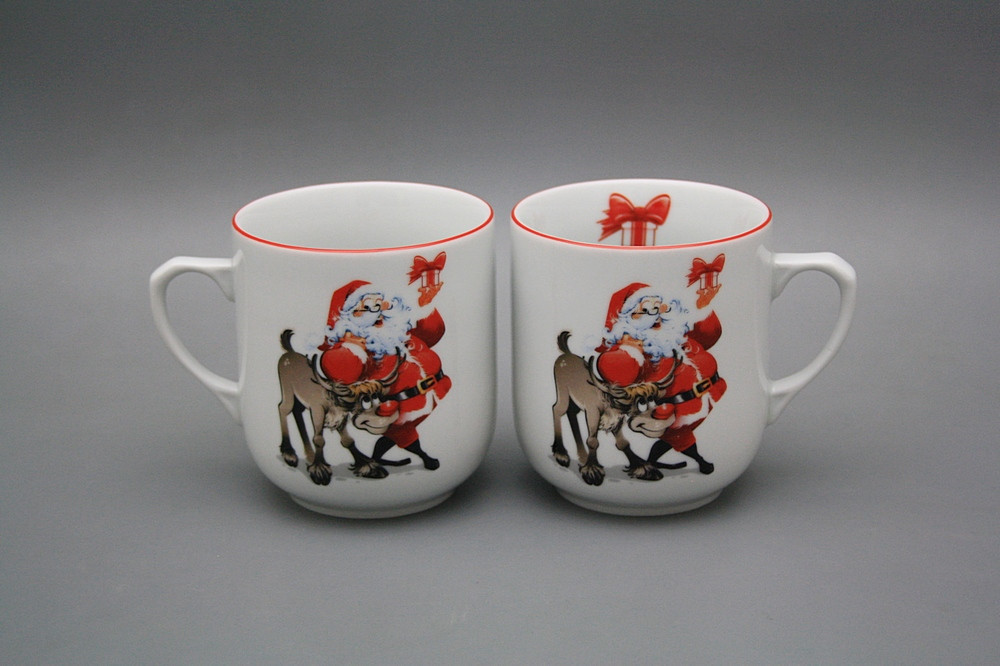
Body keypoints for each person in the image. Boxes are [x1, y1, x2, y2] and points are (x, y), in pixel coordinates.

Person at [595, 282, 725, 474]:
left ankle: (652, 461)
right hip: (676, 409)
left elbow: (710, 336)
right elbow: (616, 372)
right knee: (679, 436)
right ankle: (700, 461)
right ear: (626, 320)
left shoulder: (677, 335)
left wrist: (702, 309)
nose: (655, 314)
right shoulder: (636, 352)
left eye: (659, 306)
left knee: (677, 437)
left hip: (712, 393)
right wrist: (630, 350)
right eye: (644, 310)